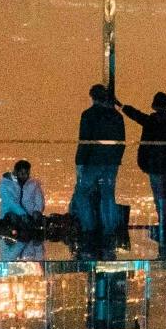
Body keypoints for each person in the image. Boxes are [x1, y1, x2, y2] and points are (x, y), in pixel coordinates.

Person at [120, 91, 166, 253]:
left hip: (156, 166)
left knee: (161, 198)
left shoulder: (152, 121)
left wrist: (122, 106)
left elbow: (136, 115)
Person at [71, 84, 126, 246]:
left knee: (82, 194)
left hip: (92, 161)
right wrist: (116, 159)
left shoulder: (88, 115)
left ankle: (89, 227)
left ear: (92, 97)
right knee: (108, 194)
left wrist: (80, 162)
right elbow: (121, 141)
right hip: (111, 162)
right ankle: (109, 229)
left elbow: (85, 141)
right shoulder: (117, 116)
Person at [0, 159, 45, 236]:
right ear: (15, 172)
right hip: (11, 217)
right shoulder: (5, 184)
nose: (26, 176)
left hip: (30, 218)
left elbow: (39, 200)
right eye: (22, 173)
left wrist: (37, 211)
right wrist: (23, 214)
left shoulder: (33, 183)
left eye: (27, 173)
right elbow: (10, 202)